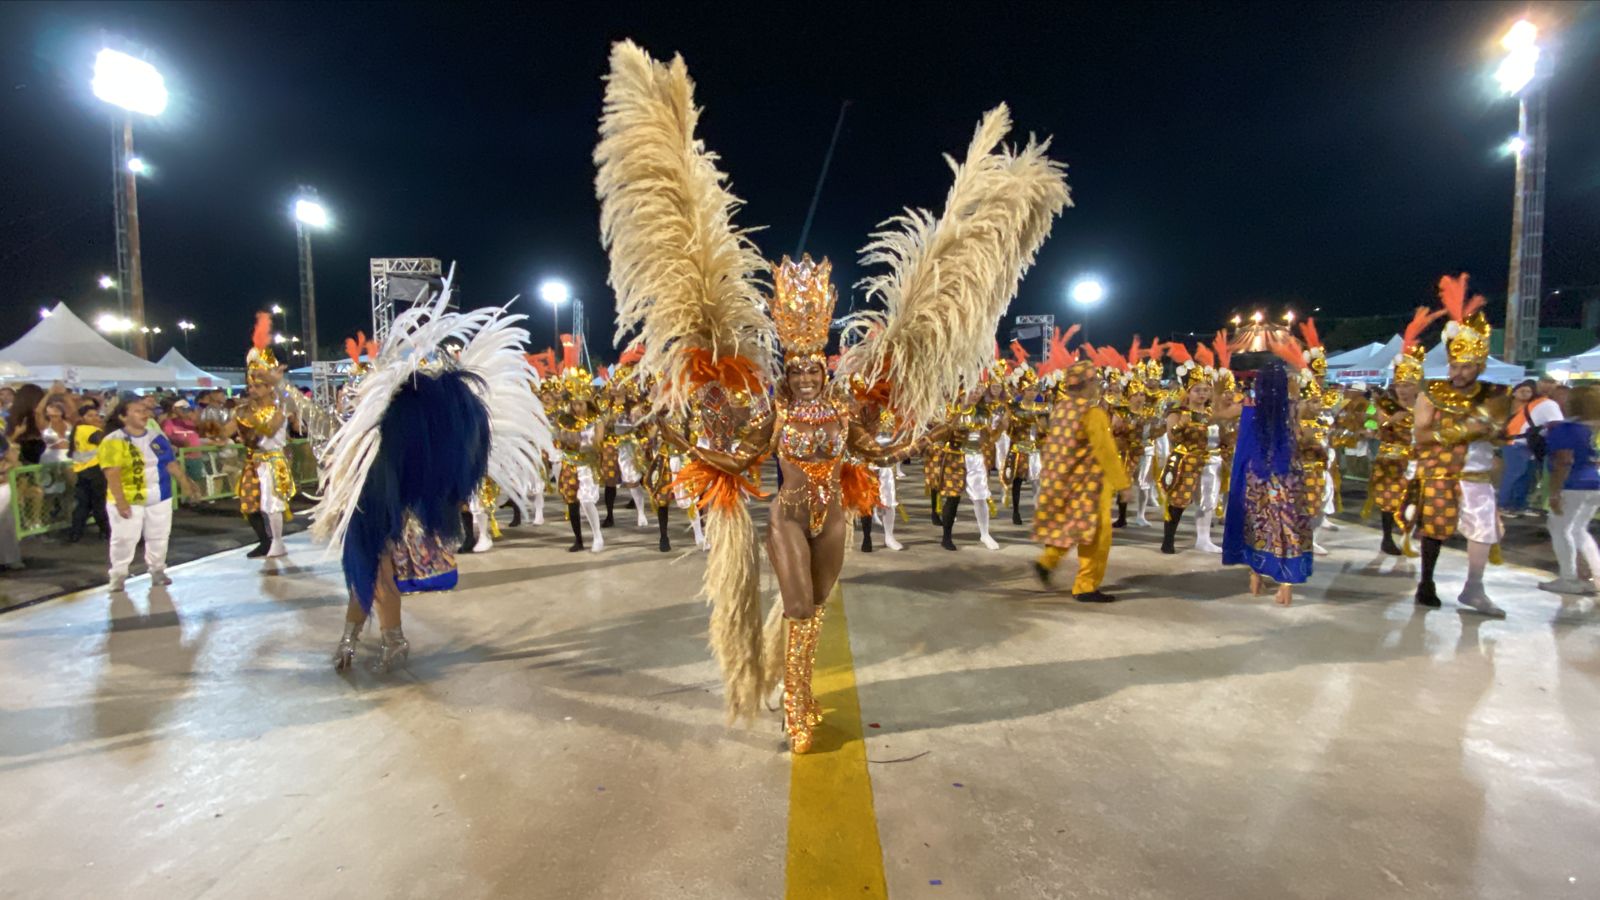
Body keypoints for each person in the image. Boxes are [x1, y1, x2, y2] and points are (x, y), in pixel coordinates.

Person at [312, 276, 549, 673]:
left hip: (383, 507)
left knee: (372, 571)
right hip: (370, 506)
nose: (349, 400)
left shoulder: (395, 428)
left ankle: (389, 640)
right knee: (363, 573)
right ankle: (358, 639)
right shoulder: (373, 429)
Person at [1413, 274, 1508, 616]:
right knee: (1434, 531)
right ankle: (1426, 582)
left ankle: (1474, 588)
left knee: (1484, 531)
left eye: (1466, 365)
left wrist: (1488, 430)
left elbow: (1498, 434)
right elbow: (1421, 435)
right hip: (1441, 472)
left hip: (1477, 475)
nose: (1458, 371)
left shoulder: (1495, 395)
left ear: (1479, 364)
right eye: (1454, 363)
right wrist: (1468, 429)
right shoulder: (1433, 392)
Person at [1032, 358, 1132, 601]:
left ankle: (1047, 562)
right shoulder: (1092, 413)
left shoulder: (1062, 408)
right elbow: (1105, 451)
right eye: (1095, 380)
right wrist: (1122, 484)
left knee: (1072, 526)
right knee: (1098, 536)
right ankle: (1086, 585)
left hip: (1063, 482)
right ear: (1087, 384)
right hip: (1090, 484)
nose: (1098, 384)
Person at [1223, 358, 1312, 606]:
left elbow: (1218, 413)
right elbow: (1300, 438)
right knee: (1287, 526)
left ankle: (1255, 577)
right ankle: (1286, 585)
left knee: (1257, 526)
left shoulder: (1248, 407)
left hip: (1257, 477)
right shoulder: (1294, 408)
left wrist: (1221, 391)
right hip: (1287, 476)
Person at [98, 397, 199, 591]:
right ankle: (118, 575)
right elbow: (112, 473)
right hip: (128, 498)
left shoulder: (156, 437)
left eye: (145, 410)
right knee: (124, 539)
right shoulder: (113, 441)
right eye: (137, 411)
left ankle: (157, 569)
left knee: (159, 536)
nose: (144, 414)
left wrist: (185, 484)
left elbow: (171, 464)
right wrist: (120, 502)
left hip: (159, 496)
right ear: (123, 417)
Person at [1368, 310, 1435, 556]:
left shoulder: (1426, 403)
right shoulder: (1384, 403)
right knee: (1389, 500)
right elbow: (1372, 425)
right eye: (1399, 384)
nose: (1402, 389)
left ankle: (1409, 535)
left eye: (1407, 385)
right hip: (1390, 458)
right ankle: (1387, 538)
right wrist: (1385, 423)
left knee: (1416, 500)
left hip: (1417, 458)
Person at [235, 316, 298, 560]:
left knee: (273, 503)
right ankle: (269, 541)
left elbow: (270, 430)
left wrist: (249, 420)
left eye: (259, 385)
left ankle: (278, 542)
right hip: (255, 461)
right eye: (252, 386)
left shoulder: (281, 407)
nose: (253, 390)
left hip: (273, 460)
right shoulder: (248, 409)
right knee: (258, 504)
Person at [1539, 385, 1600, 595]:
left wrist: (1554, 492)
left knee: (1559, 528)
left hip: (1573, 485)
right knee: (1579, 530)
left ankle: (1569, 578)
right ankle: (1597, 576)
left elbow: (1563, 461)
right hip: (1593, 484)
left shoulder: (1565, 430)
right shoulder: (1589, 430)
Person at [1500, 378, 1562, 517]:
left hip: (1521, 443)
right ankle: (1504, 505)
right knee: (1516, 475)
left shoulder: (1538, 403)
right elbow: (1557, 425)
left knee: (1524, 476)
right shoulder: (1548, 404)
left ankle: (1518, 505)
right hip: (1518, 443)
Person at [65, 400, 109, 543]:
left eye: (97, 415)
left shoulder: (77, 430)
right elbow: (104, 443)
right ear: (83, 418)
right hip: (95, 471)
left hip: (81, 471)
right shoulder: (91, 430)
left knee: (83, 505)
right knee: (99, 503)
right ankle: (105, 531)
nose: (96, 418)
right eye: (91, 416)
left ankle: (75, 533)